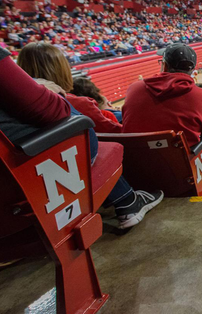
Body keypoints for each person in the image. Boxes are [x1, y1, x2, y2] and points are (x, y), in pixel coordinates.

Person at [7, 45, 163, 229]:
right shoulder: (74, 102)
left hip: (18, 180)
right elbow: (98, 138)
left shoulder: (11, 108)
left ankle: (127, 200)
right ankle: (128, 201)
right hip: (53, 170)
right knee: (95, 147)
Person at [122, 43, 202, 196]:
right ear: (191, 70)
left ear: (164, 65)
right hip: (183, 173)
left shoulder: (134, 89)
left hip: (137, 170)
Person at [17, 43, 121, 134]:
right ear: (62, 69)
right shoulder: (79, 103)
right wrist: (106, 111)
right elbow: (115, 131)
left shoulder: (17, 104)